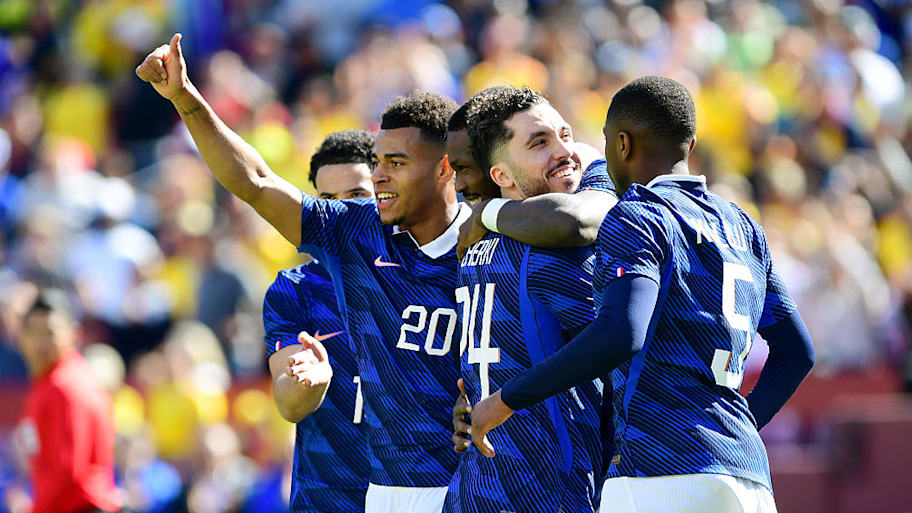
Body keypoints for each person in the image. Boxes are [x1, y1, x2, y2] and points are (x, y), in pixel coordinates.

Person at [136, 34, 464, 512]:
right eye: (378, 164)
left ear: (445, 171)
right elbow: (257, 182)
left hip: (472, 485)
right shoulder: (354, 236)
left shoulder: (492, 242)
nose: (379, 178)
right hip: (373, 496)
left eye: (396, 164)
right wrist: (185, 97)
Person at [470, 76, 816, 512]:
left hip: (656, 470)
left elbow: (620, 335)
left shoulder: (635, 216)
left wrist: (503, 401)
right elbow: (797, 352)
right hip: (746, 474)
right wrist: (741, 424)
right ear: (689, 147)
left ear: (622, 145)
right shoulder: (744, 226)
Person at [444, 86, 616, 513]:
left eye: (565, 135)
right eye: (540, 143)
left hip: (476, 485)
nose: (564, 151)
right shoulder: (549, 249)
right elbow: (623, 345)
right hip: (549, 484)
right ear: (501, 175)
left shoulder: (475, 247)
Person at [264, 130, 376, 513]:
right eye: (328, 200)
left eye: (358, 196)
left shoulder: (430, 270)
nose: (342, 212)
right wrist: (308, 384)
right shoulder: (293, 290)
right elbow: (289, 406)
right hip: (326, 499)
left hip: (421, 492)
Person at [14, 290, 123, 513]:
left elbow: (66, 471)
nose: (40, 342)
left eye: (50, 333)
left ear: (74, 334)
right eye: (33, 332)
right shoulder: (51, 381)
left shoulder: (65, 386)